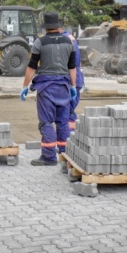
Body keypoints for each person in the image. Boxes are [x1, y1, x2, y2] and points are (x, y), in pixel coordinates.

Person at [21, 12, 77, 166]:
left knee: (46, 123)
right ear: (58, 26)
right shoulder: (69, 42)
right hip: (64, 87)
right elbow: (72, 67)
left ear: (46, 27)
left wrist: (25, 86)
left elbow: (32, 67)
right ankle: (66, 154)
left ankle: (48, 156)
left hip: (46, 88)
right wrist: (73, 86)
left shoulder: (40, 43)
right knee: (63, 122)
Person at [61, 29, 84, 132]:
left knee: (67, 112)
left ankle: (69, 138)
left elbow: (71, 64)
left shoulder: (65, 39)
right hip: (75, 78)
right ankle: (71, 140)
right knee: (68, 111)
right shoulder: (70, 37)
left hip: (71, 79)